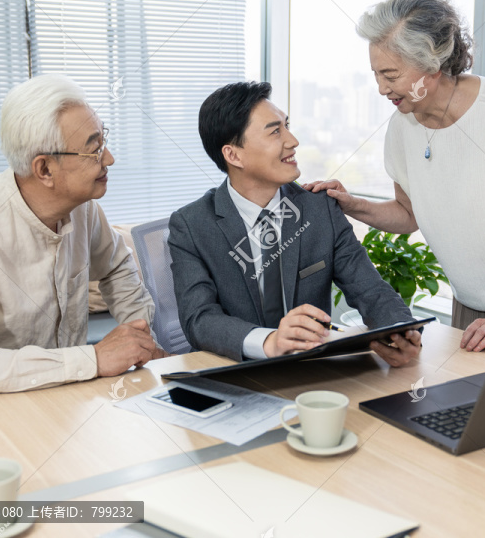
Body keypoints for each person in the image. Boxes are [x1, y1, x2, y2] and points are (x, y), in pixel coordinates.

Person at [304, 0, 485, 354]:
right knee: (470, 391)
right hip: (474, 289)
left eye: (390, 74)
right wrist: (351, 204)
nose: (380, 88)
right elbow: (409, 215)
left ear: (432, 63)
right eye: (376, 74)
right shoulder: (402, 127)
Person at [0, 74, 166, 405]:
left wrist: (142, 338)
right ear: (44, 170)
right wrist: (93, 359)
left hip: (53, 394)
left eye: (103, 142)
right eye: (94, 149)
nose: (108, 158)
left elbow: (115, 265)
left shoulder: (83, 210)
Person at [168, 81, 421, 365]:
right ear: (233, 155)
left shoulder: (320, 208)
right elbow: (199, 319)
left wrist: (400, 331)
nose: (293, 140)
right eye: (275, 131)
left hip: (310, 372)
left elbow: (370, 290)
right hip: (232, 374)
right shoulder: (190, 226)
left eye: (286, 126)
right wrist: (268, 342)